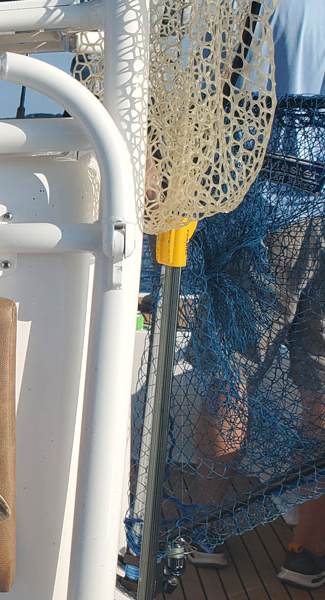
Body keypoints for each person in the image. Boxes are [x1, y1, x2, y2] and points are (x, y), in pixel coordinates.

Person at [186, 0, 325, 588]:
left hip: (268, 204)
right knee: (321, 376)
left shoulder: (254, 8)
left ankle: (203, 530)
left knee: (231, 370)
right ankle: (307, 552)